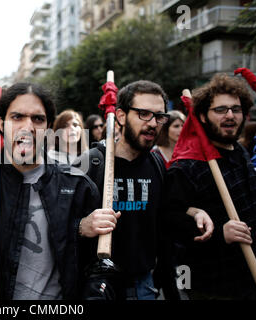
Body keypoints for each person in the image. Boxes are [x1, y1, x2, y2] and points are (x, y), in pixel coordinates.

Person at [0, 82, 119, 300]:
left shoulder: (77, 186)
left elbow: (96, 267)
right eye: (17, 117)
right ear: (1, 123)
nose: (28, 127)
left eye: (38, 119)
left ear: (49, 126)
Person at [75, 80, 181, 300]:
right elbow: (59, 225)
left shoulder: (157, 164)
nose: (153, 123)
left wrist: (193, 212)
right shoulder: (90, 163)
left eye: (159, 116)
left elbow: (166, 224)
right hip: (98, 286)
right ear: (121, 117)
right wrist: (82, 226)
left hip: (145, 284)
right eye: (144, 114)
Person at [164, 73, 256, 300]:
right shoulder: (186, 167)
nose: (230, 115)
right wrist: (219, 233)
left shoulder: (240, 152)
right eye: (221, 110)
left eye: (236, 109)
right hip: (215, 288)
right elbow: (168, 221)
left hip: (253, 278)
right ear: (203, 117)